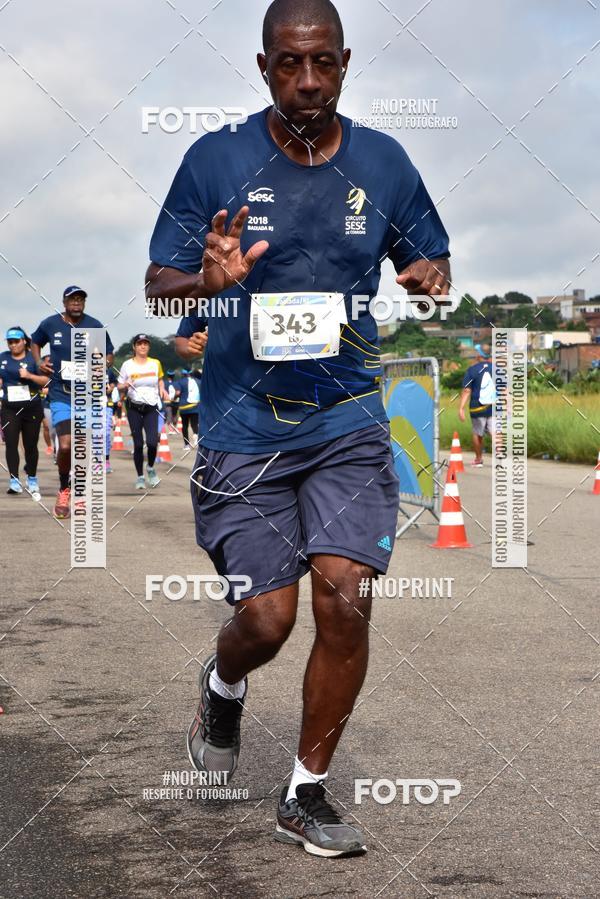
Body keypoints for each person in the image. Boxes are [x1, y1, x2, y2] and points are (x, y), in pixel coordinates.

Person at [146, 0, 450, 858]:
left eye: (323, 62)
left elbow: (429, 256)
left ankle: (305, 792)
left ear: (346, 63)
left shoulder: (384, 163)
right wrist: (203, 282)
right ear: (264, 66)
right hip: (244, 428)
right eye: (289, 62)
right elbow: (159, 284)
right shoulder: (214, 160)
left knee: (345, 595)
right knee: (267, 621)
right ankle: (223, 683)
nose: (308, 80)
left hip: (346, 416)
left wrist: (429, 274)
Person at [31, 286, 114, 518]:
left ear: (84, 303)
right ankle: (64, 488)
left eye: (80, 299)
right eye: (72, 299)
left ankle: (79, 491)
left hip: (86, 395)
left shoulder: (94, 326)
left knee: (81, 448)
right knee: (66, 446)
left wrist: (103, 364)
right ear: (64, 302)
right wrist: (38, 362)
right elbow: (35, 342)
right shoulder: (50, 324)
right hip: (61, 394)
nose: (76, 303)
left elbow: (109, 353)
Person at [0, 327, 48, 499]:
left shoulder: (33, 358)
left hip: (31, 407)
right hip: (9, 408)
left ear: (24, 341)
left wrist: (29, 376)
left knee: (30, 445)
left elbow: (46, 381)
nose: (13, 345)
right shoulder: (3, 358)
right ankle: (14, 481)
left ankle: (32, 478)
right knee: (11, 443)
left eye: (16, 341)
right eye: (10, 342)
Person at [117, 334, 169, 489]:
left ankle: (150, 468)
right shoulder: (127, 365)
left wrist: (162, 389)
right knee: (138, 444)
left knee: (152, 443)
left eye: (146, 344)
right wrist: (125, 385)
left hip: (151, 407)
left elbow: (160, 379)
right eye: (139, 344)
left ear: (149, 347)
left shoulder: (155, 363)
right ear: (134, 347)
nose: (143, 346)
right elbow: (119, 385)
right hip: (134, 408)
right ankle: (140, 477)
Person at [459, 343, 495, 466]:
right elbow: (504, 389)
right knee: (495, 432)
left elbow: (466, 390)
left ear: (479, 355)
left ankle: (478, 459)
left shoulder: (472, 370)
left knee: (477, 433)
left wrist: (461, 408)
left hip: (477, 407)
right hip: (494, 406)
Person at [173, 368, 201, 447]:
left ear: (183, 374)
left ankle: (187, 444)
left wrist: (174, 398)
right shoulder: (198, 381)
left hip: (184, 408)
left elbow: (178, 393)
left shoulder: (180, 382)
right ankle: (195, 436)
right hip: (195, 407)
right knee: (194, 424)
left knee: (185, 426)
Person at [105, 366, 118, 473]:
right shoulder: (85, 368)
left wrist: (111, 388)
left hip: (106, 405)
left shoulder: (108, 371)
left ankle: (106, 461)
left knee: (106, 434)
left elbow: (114, 382)